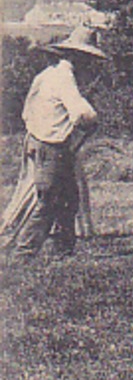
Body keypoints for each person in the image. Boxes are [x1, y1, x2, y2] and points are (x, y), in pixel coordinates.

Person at [10, 25, 107, 259]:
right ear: (77, 56)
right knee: (50, 200)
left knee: (69, 198)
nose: (90, 64)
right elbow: (84, 114)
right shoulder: (65, 78)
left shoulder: (47, 75)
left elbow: (27, 111)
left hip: (40, 141)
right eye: (88, 58)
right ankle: (24, 252)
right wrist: (89, 120)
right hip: (51, 146)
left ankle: (62, 251)